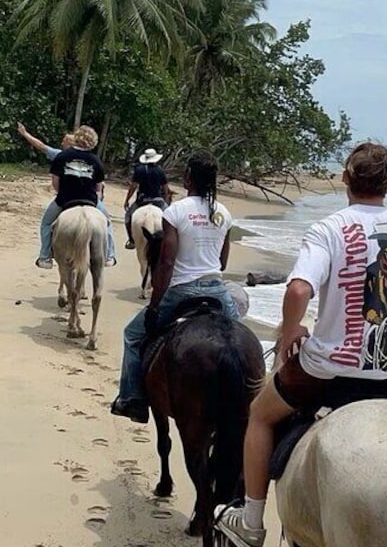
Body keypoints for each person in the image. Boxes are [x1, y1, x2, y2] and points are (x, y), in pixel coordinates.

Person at [213, 142, 387, 547]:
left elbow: (299, 289)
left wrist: (290, 329)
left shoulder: (330, 228)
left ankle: (252, 522)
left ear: (346, 178)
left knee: (259, 416)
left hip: (330, 368)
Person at [110, 150, 240, 424]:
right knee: (238, 340)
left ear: (188, 178)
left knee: (133, 335)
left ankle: (132, 398)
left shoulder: (176, 211)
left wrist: (155, 304)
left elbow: (167, 262)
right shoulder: (224, 213)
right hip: (216, 289)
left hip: (182, 290)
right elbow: (223, 262)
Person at [26, 124, 117, 269]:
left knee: (46, 224)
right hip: (90, 200)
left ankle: (45, 257)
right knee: (107, 222)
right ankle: (109, 255)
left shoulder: (62, 156)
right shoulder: (96, 161)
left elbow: (55, 183)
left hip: (65, 199)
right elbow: (99, 189)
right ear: (92, 141)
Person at [123, 148, 173, 249]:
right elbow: (165, 189)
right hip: (158, 201)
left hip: (142, 200)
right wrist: (166, 199)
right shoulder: (160, 170)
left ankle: (131, 240)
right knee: (171, 219)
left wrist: (127, 199)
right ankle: (169, 240)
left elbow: (133, 187)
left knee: (128, 217)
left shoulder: (139, 169)